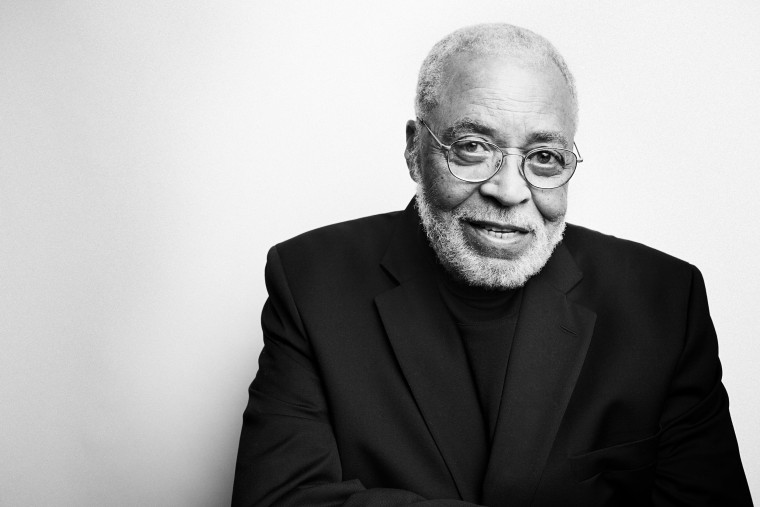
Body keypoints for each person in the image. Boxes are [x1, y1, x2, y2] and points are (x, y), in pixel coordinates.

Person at [232, 23, 752, 506]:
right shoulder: (309, 282)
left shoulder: (664, 302)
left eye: (545, 157)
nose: (508, 191)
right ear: (416, 151)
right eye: (473, 147)